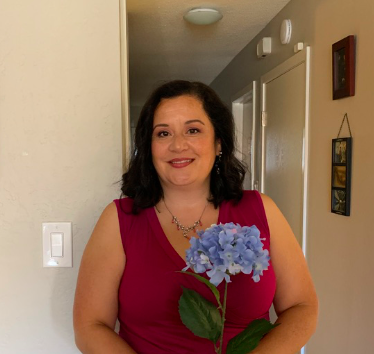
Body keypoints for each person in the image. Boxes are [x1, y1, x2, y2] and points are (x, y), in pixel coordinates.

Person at [73, 80, 318, 354]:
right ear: (148, 147)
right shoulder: (119, 220)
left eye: (193, 130)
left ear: (218, 143)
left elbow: (301, 307)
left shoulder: (262, 210)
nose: (178, 145)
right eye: (163, 133)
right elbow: (90, 326)